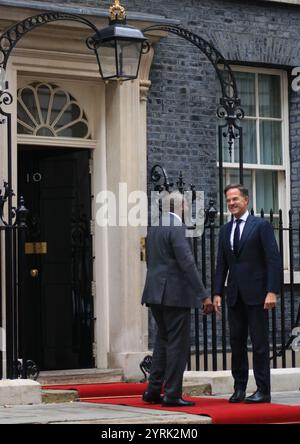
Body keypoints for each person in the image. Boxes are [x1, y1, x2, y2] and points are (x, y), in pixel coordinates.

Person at [141, 191, 213, 407]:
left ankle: (153, 390)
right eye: (187, 205)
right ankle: (172, 394)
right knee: (178, 346)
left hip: (155, 293)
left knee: (163, 342)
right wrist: (203, 295)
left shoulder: (154, 227)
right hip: (174, 296)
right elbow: (187, 263)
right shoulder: (177, 227)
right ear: (181, 207)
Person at [213, 184, 282, 404]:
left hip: (258, 295)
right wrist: (217, 293)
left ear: (246, 200)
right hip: (234, 295)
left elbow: (273, 259)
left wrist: (272, 291)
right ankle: (239, 388)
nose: (231, 203)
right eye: (229, 200)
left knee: (260, 344)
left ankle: (263, 390)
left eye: (235, 199)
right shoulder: (225, 230)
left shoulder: (261, 226)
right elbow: (221, 264)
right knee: (237, 343)